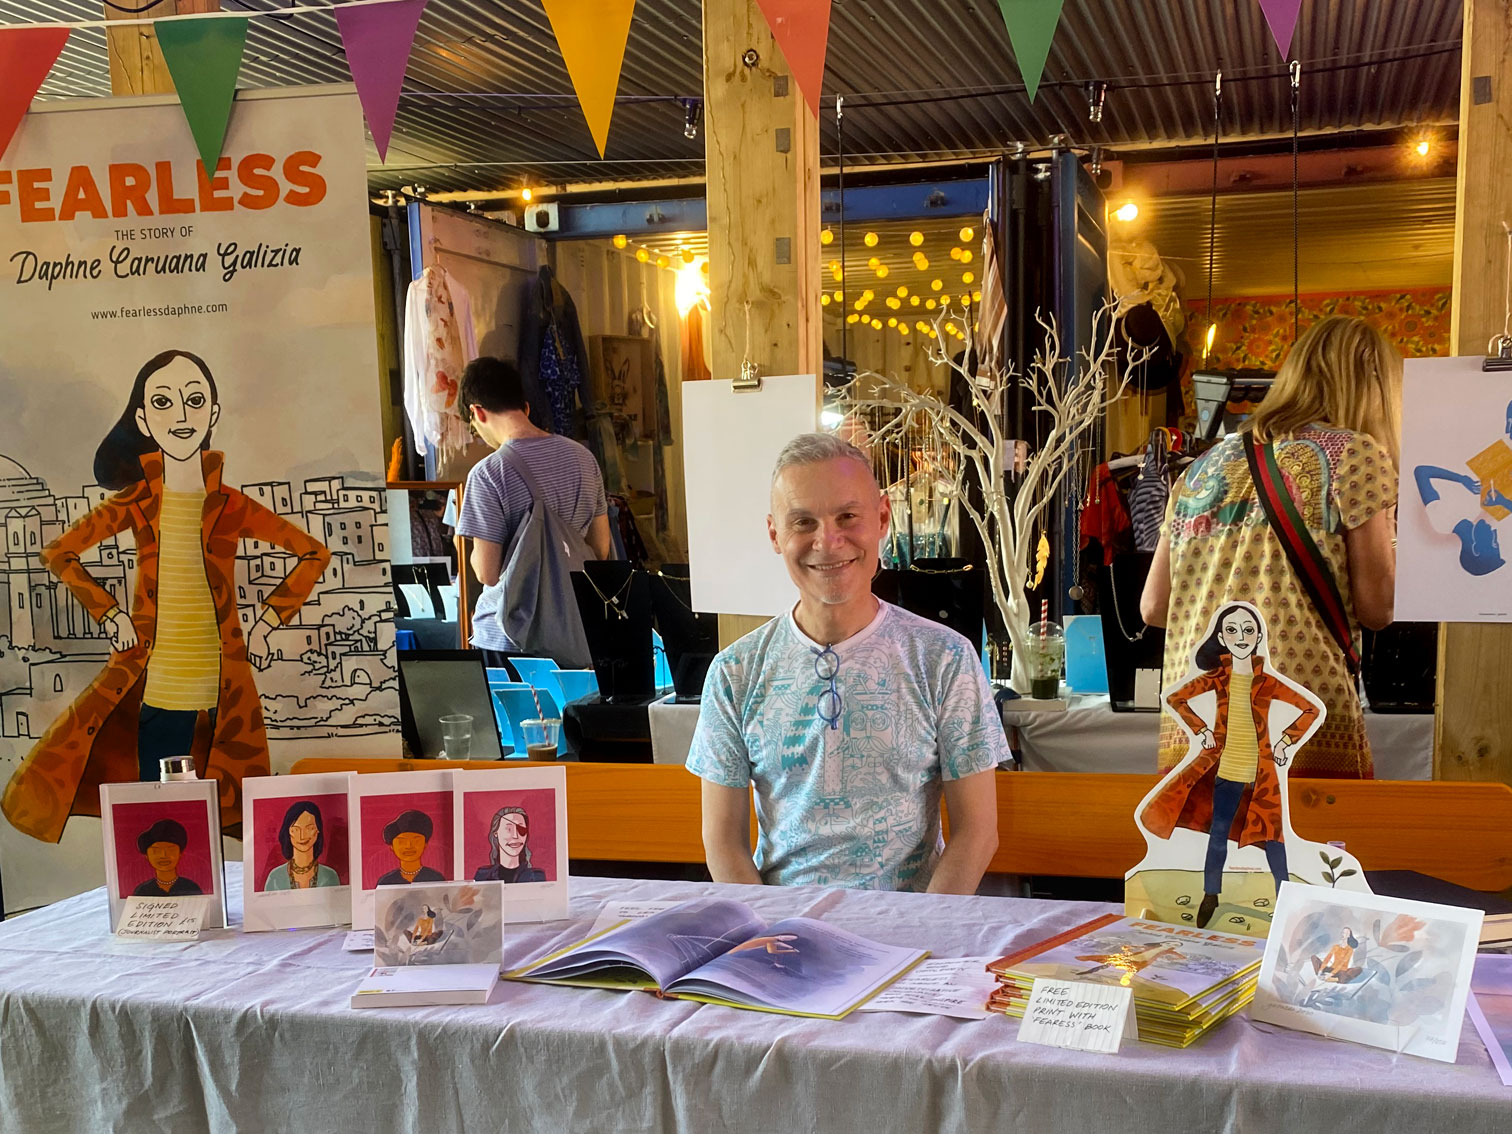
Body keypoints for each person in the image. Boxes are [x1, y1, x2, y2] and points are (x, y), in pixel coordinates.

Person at [2, 350, 331, 844]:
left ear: (213, 413)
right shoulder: (136, 501)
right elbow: (60, 553)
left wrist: (266, 621)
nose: (181, 415)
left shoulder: (234, 505)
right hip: (157, 691)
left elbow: (313, 554)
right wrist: (109, 613)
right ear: (143, 419)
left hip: (223, 694)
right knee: (159, 825)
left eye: (195, 401)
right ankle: (161, 912)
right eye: (163, 402)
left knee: (221, 823)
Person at [687, 432, 1006, 895]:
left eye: (847, 516)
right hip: (784, 933)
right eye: (803, 522)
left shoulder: (945, 659)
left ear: (881, 518)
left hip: (912, 929)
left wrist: (922, 935)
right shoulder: (735, 672)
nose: (828, 541)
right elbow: (723, 842)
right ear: (775, 534)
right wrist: (768, 938)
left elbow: (977, 833)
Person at [1140, 315, 1400, 778]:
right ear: (1372, 386)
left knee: (1208, 849)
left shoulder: (1201, 467)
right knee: (1318, 850)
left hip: (1197, 727)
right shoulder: (1355, 454)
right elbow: (1377, 607)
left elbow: (1155, 607)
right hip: (1302, 722)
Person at [1138, 603, 1322, 928]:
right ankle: (1211, 895)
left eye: (1248, 630)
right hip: (1225, 772)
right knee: (1218, 836)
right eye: (1233, 630)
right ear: (1222, 637)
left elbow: (1309, 709)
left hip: (1262, 776)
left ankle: (1287, 902)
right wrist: (1202, 730)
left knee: (1274, 841)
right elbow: (1176, 698)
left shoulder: (1268, 682)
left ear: (1259, 636)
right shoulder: (1217, 679)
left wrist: (1285, 741)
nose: (1241, 636)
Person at [453, 356, 612, 668]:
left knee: (515, 718)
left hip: (509, 636)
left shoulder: (488, 474)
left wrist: (472, 555)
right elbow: (601, 550)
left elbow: (487, 572)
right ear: (523, 407)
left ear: (477, 412)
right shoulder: (584, 458)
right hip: (573, 628)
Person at [263, 800, 341, 891]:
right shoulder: (275, 878)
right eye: (296, 829)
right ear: (288, 832)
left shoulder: (330, 876)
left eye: (309, 828)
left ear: (318, 830)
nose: (302, 836)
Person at [472, 804, 547, 883]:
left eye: (521, 829)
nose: (515, 835)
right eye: (508, 829)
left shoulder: (537, 876)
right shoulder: (483, 876)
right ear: (496, 833)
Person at [132, 818, 203, 896]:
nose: (164, 855)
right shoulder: (142, 891)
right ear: (146, 856)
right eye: (156, 851)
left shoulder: (192, 888)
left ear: (180, 853)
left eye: (171, 850)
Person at [375, 809, 446, 886]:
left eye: (416, 840)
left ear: (425, 844)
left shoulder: (436, 878)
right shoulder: (385, 882)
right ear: (392, 846)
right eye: (401, 841)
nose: (409, 846)